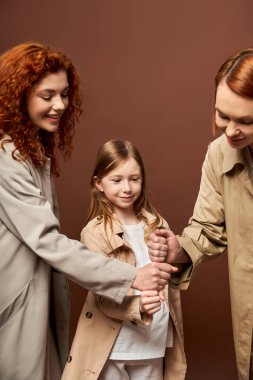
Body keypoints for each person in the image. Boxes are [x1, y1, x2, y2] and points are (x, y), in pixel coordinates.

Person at [0, 42, 175, 380]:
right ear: (19, 96)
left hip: (35, 301)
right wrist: (130, 276)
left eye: (64, 94)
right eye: (47, 95)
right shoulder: (8, 159)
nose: (60, 105)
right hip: (15, 304)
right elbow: (47, 241)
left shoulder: (30, 152)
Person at [148, 47, 253, 380]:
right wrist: (178, 248)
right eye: (223, 115)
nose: (230, 129)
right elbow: (207, 228)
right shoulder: (220, 154)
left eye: (245, 120)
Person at [62, 139, 186, 380]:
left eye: (134, 179)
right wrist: (137, 306)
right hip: (115, 346)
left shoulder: (157, 224)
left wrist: (173, 254)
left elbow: (173, 274)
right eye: (116, 180)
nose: (127, 188)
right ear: (99, 183)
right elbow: (102, 293)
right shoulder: (95, 232)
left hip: (154, 342)